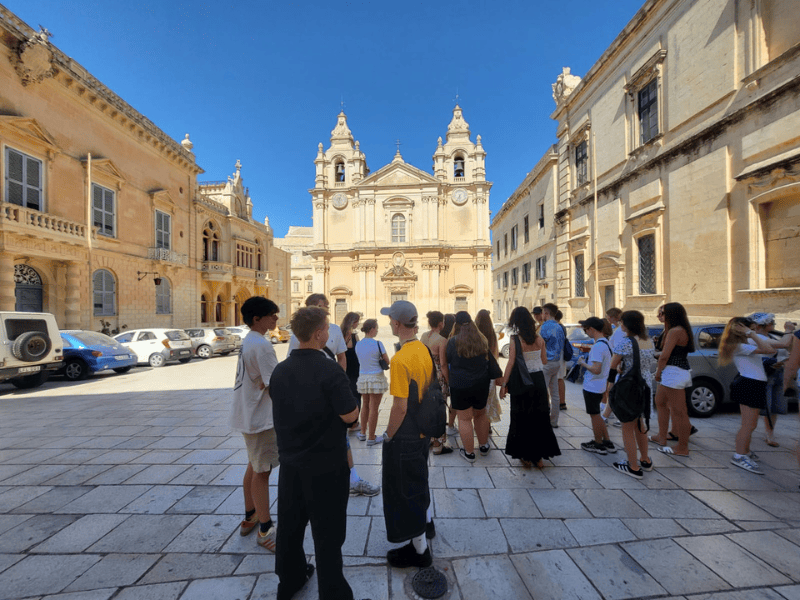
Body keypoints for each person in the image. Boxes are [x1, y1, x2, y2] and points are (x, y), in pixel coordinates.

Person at [270, 307, 360, 599]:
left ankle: (290, 580)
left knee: (290, 529)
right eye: (326, 328)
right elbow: (350, 415)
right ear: (319, 333)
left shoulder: (281, 371)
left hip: (291, 466)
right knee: (328, 535)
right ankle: (333, 593)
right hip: (326, 466)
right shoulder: (329, 369)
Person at [288, 294, 379, 497]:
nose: (325, 310)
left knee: (340, 437)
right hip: (309, 395)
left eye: (325, 306)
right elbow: (293, 361)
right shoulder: (298, 335)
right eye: (320, 306)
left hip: (329, 389)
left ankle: (352, 478)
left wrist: (340, 383)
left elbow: (341, 357)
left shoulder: (335, 330)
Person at [380, 300, 435, 568]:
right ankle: (427, 524)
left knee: (406, 490)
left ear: (399, 324)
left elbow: (399, 407)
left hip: (408, 434)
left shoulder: (400, 359)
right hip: (424, 429)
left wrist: (388, 435)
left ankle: (420, 551)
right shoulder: (422, 349)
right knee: (419, 480)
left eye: (391, 319)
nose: (389, 323)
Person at [230, 296, 280, 550]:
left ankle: (250, 515)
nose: (276, 319)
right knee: (262, 472)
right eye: (272, 315)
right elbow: (276, 385)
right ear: (257, 319)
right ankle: (265, 529)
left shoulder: (251, 340)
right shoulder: (261, 345)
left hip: (249, 413)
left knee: (254, 464)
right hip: (260, 417)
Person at [500, 306, 560, 468]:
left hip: (521, 381)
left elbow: (511, 363)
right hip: (538, 380)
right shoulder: (539, 338)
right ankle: (538, 458)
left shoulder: (515, 339)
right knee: (539, 418)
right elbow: (545, 361)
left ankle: (525, 456)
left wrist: (504, 384)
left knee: (522, 418)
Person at [718, 317, 775, 474]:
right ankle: (739, 455)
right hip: (749, 384)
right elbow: (770, 350)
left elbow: (771, 349)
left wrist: (751, 333)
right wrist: (751, 333)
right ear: (741, 329)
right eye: (752, 329)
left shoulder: (746, 344)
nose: (755, 331)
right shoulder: (738, 345)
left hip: (753, 384)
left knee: (751, 424)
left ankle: (746, 451)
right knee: (748, 425)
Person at [446, 311, 502, 463]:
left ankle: (469, 453)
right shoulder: (481, 339)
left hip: (460, 385)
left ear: (456, 324)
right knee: (480, 415)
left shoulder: (453, 341)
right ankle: (483, 446)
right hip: (481, 383)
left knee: (464, 420)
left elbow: (448, 360)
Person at [607, 310, 655, 478]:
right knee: (641, 424)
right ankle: (645, 459)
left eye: (622, 322)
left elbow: (613, 366)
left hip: (630, 387)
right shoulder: (649, 341)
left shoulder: (626, 343)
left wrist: (610, 385)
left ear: (626, 325)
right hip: (646, 385)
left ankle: (633, 466)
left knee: (627, 426)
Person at [650, 302, 694, 457]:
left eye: (662, 312)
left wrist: (658, 372)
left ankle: (682, 447)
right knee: (660, 402)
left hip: (673, 372)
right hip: (673, 371)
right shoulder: (672, 330)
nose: (659, 315)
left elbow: (664, 356)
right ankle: (662, 437)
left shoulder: (675, 331)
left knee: (679, 411)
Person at [749, 312, 792, 447]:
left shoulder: (772, 336)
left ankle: (769, 433)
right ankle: (750, 432)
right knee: (763, 407)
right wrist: (789, 330)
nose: (774, 324)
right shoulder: (757, 338)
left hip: (777, 372)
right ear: (762, 325)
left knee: (774, 406)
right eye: (771, 322)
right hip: (763, 375)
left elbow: (787, 348)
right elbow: (784, 344)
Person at [576, 317, 616, 455]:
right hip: (600, 384)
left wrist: (583, 363)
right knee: (597, 414)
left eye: (586, 329)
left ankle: (598, 443)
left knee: (595, 415)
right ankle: (607, 441)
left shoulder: (598, 346)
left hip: (593, 385)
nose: (586, 332)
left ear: (592, 329)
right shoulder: (606, 343)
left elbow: (596, 369)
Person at [421, 311, 454, 455]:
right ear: (441, 324)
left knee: (428, 409)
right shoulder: (442, 340)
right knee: (440, 411)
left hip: (425, 377)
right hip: (438, 378)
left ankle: (428, 438)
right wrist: (449, 381)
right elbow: (443, 364)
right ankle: (438, 445)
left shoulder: (423, 337)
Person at [355, 318, 390, 446]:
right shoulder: (378, 344)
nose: (377, 330)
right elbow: (387, 361)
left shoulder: (358, 344)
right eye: (376, 328)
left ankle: (363, 433)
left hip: (363, 377)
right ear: (371, 329)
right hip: (376, 377)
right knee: (374, 408)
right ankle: (371, 437)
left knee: (365, 405)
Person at [540, 303, 566, 427]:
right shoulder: (560, 327)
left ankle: (543, 419)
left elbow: (540, 343)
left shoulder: (545, 326)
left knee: (542, 392)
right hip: (556, 362)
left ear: (546, 313)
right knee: (555, 394)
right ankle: (554, 421)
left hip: (546, 362)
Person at [476, 309, 503, 425]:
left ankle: (478, 422)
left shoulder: (476, 333)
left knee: (478, 398)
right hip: (490, 370)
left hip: (478, 370)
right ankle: (488, 423)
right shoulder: (492, 333)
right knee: (490, 398)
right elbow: (495, 353)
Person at [341, 312, 362, 434]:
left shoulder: (341, 334)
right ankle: (354, 423)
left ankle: (348, 421)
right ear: (353, 322)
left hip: (345, 368)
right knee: (356, 395)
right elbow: (358, 352)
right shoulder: (353, 336)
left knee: (347, 393)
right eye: (357, 322)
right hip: (355, 368)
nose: (358, 324)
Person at [440, 313, 459, 436]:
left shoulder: (439, 338)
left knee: (441, 401)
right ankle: (451, 425)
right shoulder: (455, 338)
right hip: (453, 372)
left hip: (439, 373)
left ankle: (440, 425)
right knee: (454, 401)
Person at [554, 309, 568, 412]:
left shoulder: (557, 327)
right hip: (560, 356)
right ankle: (561, 402)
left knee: (559, 379)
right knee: (560, 379)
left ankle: (561, 402)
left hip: (557, 356)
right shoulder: (561, 326)